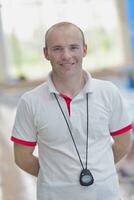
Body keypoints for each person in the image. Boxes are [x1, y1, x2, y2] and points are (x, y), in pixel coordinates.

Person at [11, 22, 132, 200]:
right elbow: (22, 157)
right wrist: (56, 176)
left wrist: (101, 167)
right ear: (46, 53)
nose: (66, 55)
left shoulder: (108, 92)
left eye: (73, 47)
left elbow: (123, 143)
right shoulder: (30, 102)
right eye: (58, 49)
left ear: (84, 50)